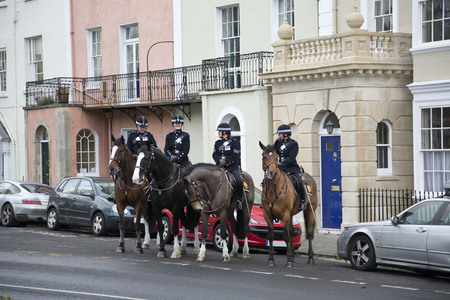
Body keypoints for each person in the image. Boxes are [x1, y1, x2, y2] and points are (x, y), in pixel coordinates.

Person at [274, 124, 306, 211]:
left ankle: (303, 201)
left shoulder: (293, 144)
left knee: (299, 182)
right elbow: (274, 153)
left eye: (279, 134)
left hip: (291, 168)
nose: (278, 136)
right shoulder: (278, 143)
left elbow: (291, 158)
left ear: (285, 134)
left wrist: (282, 164)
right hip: (280, 168)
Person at [212, 122, 243, 210]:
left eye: (219, 132)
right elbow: (214, 154)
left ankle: (239, 200)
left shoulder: (234, 142)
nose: (218, 133)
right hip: (219, 167)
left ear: (224, 132)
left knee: (239, 181)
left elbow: (235, 156)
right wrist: (219, 161)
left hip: (232, 167)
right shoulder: (217, 143)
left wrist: (226, 162)